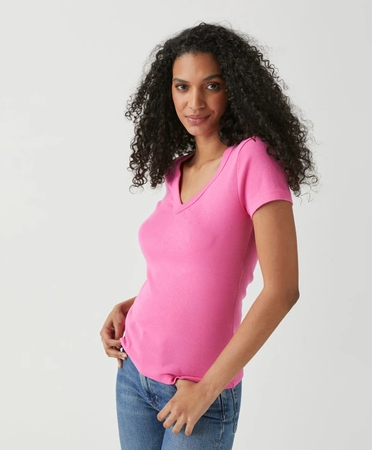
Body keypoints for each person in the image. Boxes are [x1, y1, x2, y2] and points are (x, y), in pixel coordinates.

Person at [100, 22, 318, 450]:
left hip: (199, 392)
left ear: (234, 89)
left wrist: (207, 390)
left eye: (211, 86)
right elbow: (187, 271)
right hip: (134, 372)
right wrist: (131, 305)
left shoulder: (252, 160)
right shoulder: (176, 170)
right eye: (182, 87)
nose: (194, 102)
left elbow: (283, 291)